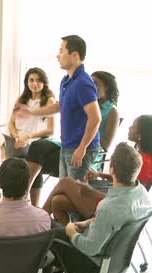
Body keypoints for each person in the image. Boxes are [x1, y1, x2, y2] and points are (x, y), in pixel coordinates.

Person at [42, 115, 152, 224]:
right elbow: (128, 182)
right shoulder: (150, 158)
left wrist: (90, 191)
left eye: (133, 126)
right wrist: (100, 174)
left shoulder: (142, 161)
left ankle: (39, 220)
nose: (129, 128)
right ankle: (68, 238)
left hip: (114, 206)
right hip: (120, 201)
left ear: (141, 135)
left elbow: (123, 197)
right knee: (58, 201)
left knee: (66, 183)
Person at [52, 142, 152, 273]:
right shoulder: (142, 193)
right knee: (58, 201)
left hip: (93, 263)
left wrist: (71, 233)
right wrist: (89, 222)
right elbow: (118, 223)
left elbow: (89, 248)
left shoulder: (109, 208)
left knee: (49, 231)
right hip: (117, 257)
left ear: (112, 169)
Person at [20, 35, 101, 181]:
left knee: (73, 193)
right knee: (64, 188)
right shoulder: (67, 80)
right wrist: (32, 112)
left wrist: (82, 147)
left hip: (80, 148)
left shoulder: (83, 83)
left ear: (74, 55)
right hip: (67, 144)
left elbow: (95, 118)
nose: (58, 56)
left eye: (61, 51)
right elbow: (60, 105)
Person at [0, 67, 54, 211]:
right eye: (31, 80)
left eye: (38, 80)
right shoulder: (22, 99)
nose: (34, 84)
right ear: (26, 82)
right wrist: (16, 136)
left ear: (44, 82)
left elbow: (51, 130)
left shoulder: (49, 101)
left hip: (32, 144)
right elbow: (11, 124)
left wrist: (27, 137)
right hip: (16, 140)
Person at [91, 71, 120, 152]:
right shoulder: (89, 105)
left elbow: (105, 145)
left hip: (92, 155)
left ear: (106, 87)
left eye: (96, 84)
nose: (91, 87)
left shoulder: (112, 112)